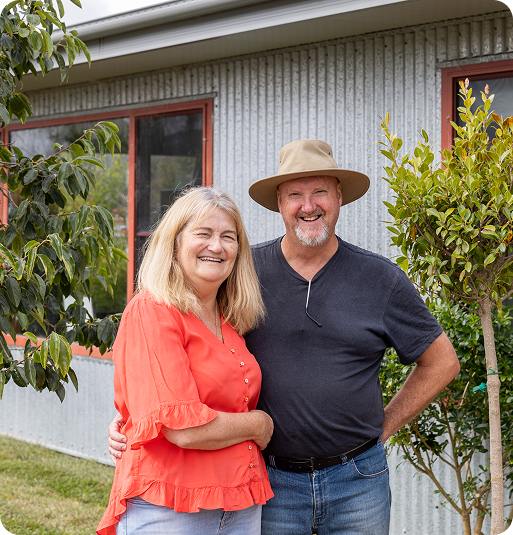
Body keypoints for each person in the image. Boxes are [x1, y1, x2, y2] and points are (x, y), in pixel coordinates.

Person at [109, 139, 460, 535]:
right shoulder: (240, 272)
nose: (308, 206)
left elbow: (443, 362)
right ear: (279, 201)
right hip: (271, 482)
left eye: (320, 192)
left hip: (358, 481)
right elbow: (179, 349)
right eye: (295, 194)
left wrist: (382, 428)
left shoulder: (380, 279)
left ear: (339, 197)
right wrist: (135, 418)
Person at [97, 187, 274, 535]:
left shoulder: (232, 319)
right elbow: (184, 430)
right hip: (171, 508)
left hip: (242, 501)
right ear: (175, 242)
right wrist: (260, 425)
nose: (216, 246)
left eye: (228, 236)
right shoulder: (152, 310)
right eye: (203, 234)